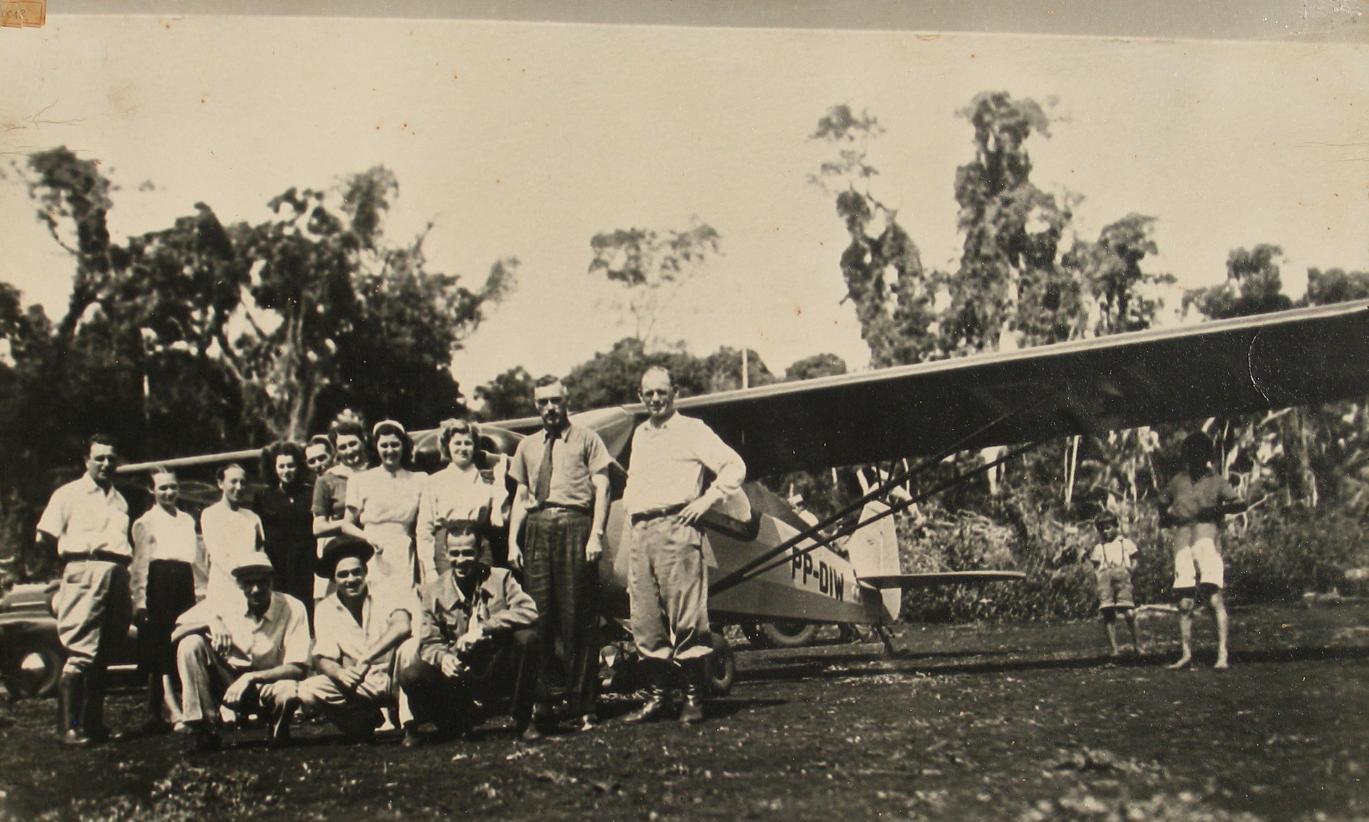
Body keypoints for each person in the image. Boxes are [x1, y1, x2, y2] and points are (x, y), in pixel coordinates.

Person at [621, 366, 745, 725]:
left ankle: (693, 698)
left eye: (662, 392)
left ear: (674, 392)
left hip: (679, 526)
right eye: (648, 393)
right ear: (640, 395)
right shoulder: (640, 435)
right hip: (642, 531)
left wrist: (706, 502)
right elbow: (633, 481)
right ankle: (658, 698)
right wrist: (631, 509)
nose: (655, 399)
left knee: (687, 617)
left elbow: (733, 466)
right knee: (644, 619)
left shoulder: (693, 430)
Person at [507, 377, 613, 732]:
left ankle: (584, 705)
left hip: (575, 526)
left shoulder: (586, 439)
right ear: (535, 406)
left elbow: (603, 488)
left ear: (567, 401)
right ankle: (542, 704)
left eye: (555, 400)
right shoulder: (526, 446)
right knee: (537, 620)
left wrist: (596, 533)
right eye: (542, 402)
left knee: (577, 620)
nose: (549, 408)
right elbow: (521, 498)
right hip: (537, 528)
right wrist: (512, 543)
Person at [35, 433, 134, 746]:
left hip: (116, 572)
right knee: (81, 650)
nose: (106, 464)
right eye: (99, 458)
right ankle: (69, 727)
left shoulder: (120, 500)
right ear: (86, 460)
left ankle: (94, 724)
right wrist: (72, 569)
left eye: (111, 459)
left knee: (105, 650)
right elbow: (45, 537)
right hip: (83, 568)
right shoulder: (69, 494)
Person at [398, 533, 540, 746]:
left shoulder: (501, 578)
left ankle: (524, 720)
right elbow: (429, 643)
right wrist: (443, 658)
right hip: (460, 673)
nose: (461, 560)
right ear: (445, 553)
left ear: (480, 553)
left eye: (467, 553)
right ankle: (454, 722)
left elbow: (529, 611)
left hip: (496, 664)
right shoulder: (432, 591)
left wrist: (485, 628)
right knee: (412, 675)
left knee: (527, 638)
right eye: (454, 553)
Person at [172, 552, 310, 752]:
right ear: (239, 585)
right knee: (191, 643)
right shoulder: (226, 603)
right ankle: (204, 728)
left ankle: (279, 726)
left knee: (288, 689)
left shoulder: (293, 607)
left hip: (268, 684)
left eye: (262, 582)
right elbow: (176, 633)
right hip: (228, 684)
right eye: (248, 583)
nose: (255, 590)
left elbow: (298, 668)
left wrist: (251, 678)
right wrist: (211, 622)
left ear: (272, 581)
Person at [298, 537, 417, 742]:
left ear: (365, 572)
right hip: (360, 683)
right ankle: (365, 721)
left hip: (393, 677)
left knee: (410, 647)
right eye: (343, 575)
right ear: (334, 580)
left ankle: (410, 726)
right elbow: (322, 656)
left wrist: (366, 658)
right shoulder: (325, 608)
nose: (351, 579)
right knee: (308, 689)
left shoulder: (385, 591)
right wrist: (340, 673)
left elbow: (402, 625)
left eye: (356, 572)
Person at [1159, 432, 1246, 671]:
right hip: (1182, 540)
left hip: (1206, 539)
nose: (1195, 457)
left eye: (1200, 452)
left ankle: (1222, 653)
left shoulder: (1216, 481)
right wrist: (1165, 519)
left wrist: (1216, 510)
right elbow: (1162, 502)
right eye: (1191, 453)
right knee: (1185, 601)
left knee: (1212, 597)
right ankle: (1186, 653)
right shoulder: (1178, 481)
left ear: (1207, 455)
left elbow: (1240, 503)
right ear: (1186, 455)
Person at [130, 467, 207, 734]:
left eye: (173, 487)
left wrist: (199, 593)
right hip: (158, 583)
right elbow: (139, 566)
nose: (169, 492)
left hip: (183, 583)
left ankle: (177, 707)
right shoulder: (145, 522)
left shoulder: (187, 520)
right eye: (162, 488)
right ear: (152, 491)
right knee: (159, 645)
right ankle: (168, 709)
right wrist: (139, 602)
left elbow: (194, 561)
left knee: (180, 641)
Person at [418, 418, 509, 580]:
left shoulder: (487, 478)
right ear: (447, 446)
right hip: (445, 547)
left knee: (483, 593)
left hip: (479, 545)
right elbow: (425, 529)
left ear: (474, 446)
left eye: (467, 443)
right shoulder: (434, 481)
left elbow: (501, 517)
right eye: (457, 443)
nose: (462, 448)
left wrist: (499, 474)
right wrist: (429, 568)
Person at [343, 420, 425, 597]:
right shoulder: (360, 480)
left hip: (404, 550)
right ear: (375, 447)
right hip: (372, 550)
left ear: (404, 445)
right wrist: (368, 537)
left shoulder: (419, 480)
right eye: (384, 445)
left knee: (406, 600)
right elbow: (346, 525)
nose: (390, 450)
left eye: (395, 444)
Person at [258, 441, 316, 623]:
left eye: (290, 465)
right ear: (274, 469)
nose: (286, 470)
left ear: (298, 466)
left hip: (305, 559)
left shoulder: (310, 493)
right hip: (277, 560)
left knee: (305, 603)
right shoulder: (263, 496)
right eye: (281, 466)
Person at [313, 419, 369, 600]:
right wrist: (349, 522)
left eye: (353, 443)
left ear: (363, 440)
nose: (349, 451)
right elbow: (318, 527)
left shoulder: (377, 471)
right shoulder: (327, 480)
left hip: (379, 544)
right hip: (348, 550)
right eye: (342, 447)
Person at [200, 463, 266, 606]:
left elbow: (260, 553)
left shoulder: (252, 517)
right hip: (224, 586)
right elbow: (218, 554)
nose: (239, 487)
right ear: (220, 483)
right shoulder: (210, 514)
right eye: (233, 481)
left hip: (250, 588)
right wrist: (242, 579)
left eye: (243, 482)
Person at [1087, 512, 1143, 658]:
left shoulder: (1125, 543)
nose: (1105, 532)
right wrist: (1099, 577)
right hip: (1105, 581)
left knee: (1129, 613)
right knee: (1108, 614)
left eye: (1108, 528)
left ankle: (1138, 646)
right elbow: (1095, 566)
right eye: (1102, 529)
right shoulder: (1099, 547)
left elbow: (1136, 558)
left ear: (1116, 526)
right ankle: (1114, 649)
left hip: (1123, 578)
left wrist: (1131, 570)